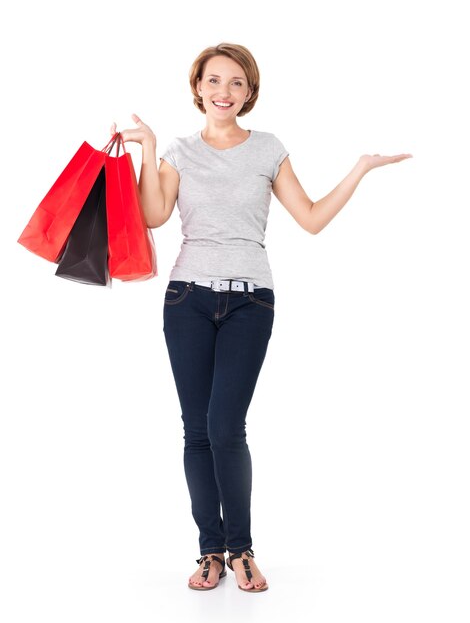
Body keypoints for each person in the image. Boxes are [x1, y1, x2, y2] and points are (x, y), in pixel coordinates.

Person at [110, 42, 412, 593]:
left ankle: (242, 548)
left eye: (236, 83)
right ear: (198, 86)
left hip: (252, 301)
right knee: (197, 431)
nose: (224, 92)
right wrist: (149, 148)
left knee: (227, 427)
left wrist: (360, 169)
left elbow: (312, 218)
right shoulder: (178, 149)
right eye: (214, 81)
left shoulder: (267, 148)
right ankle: (211, 552)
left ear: (249, 93)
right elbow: (153, 215)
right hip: (187, 299)